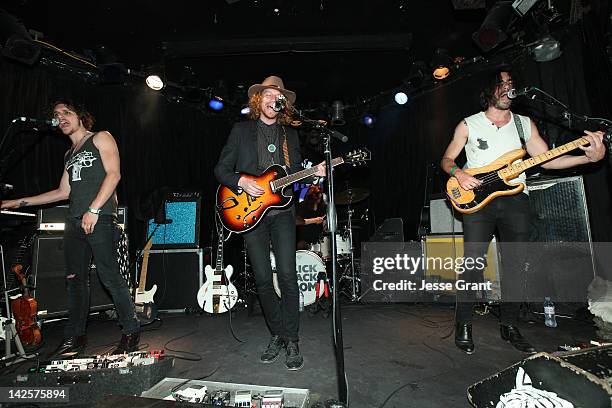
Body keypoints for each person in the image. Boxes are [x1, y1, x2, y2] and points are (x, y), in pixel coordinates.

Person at [440, 69, 605, 354]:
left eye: (510, 84)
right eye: (501, 84)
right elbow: (446, 159)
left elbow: (547, 160)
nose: (507, 89)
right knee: (473, 262)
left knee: (515, 264)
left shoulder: (523, 124)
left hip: (516, 199)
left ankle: (510, 325)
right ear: (489, 90)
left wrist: (587, 157)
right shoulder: (468, 124)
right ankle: (464, 324)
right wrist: (459, 174)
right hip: (477, 200)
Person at [1, 100, 140, 356]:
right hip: (74, 221)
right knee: (75, 281)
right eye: (56, 114)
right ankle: (75, 337)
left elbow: (114, 174)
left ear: (81, 116)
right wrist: (16, 201)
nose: (60, 117)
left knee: (109, 277)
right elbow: (62, 192)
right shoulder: (69, 154)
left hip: (99, 219)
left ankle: (130, 330)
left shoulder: (101, 137)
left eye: (67, 113)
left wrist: (94, 209)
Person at [214, 76, 325, 371]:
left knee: (287, 276)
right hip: (250, 214)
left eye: (277, 95)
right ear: (258, 100)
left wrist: (313, 175)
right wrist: (241, 180)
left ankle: (292, 338)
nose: (272, 99)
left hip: (282, 214)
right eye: (267, 94)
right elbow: (221, 169)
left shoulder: (290, 136)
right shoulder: (241, 131)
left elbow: (295, 180)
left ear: (283, 103)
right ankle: (277, 333)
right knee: (263, 280)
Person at [296, 185, 326, 251]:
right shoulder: (302, 206)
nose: (319, 200)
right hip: (304, 241)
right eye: (317, 198)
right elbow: (297, 221)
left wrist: (325, 224)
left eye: (320, 198)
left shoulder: (323, 207)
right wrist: (315, 220)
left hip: (319, 240)